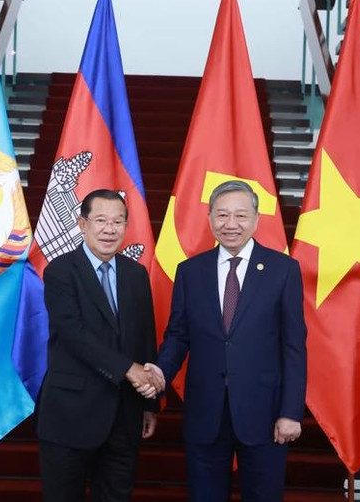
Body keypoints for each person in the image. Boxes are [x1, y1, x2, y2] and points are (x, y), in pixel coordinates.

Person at [146, 180, 306, 502]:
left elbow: (293, 346)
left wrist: (290, 411)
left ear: (257, 219)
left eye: (240, 216)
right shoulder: (190, 272)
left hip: (264, 413)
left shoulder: (283, 270)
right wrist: (160, 373)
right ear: (209, 219)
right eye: (221, 215)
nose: (230, 224)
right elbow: (178, 335)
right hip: (206, 411)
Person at [37, 189, 164, 502]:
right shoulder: (61, 271)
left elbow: (145, 337)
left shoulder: (136, 274)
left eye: (118, 221)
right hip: (71, 414)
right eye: (101, 220)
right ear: (82, 224)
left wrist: (148, 403)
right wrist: (128, 370)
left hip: (124, 414)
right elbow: (72, 333)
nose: (110, 229)